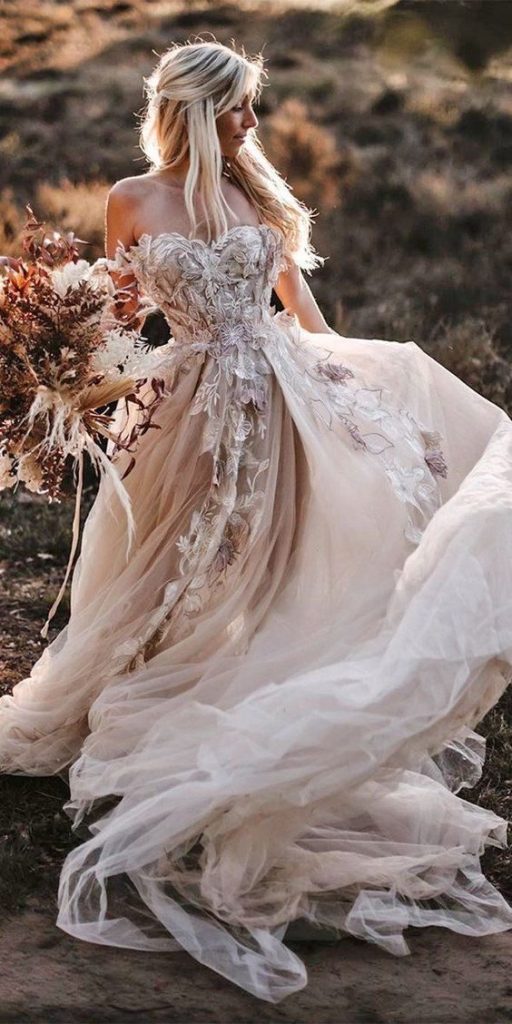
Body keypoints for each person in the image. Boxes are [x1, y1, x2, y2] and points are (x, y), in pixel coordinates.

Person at [1, 38, 512, 1004]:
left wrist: (363, 381)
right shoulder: (131, 199)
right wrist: (71, 382)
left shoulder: (256, 200)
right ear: (193, 109)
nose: (251, 124)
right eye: (237, 108)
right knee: (174, 560)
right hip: (185, 408)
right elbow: (119, 313)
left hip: (279, 401)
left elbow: (301, 313)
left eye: (251, 108)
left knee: (265, 559)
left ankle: (245, 686)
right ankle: (136, 685)